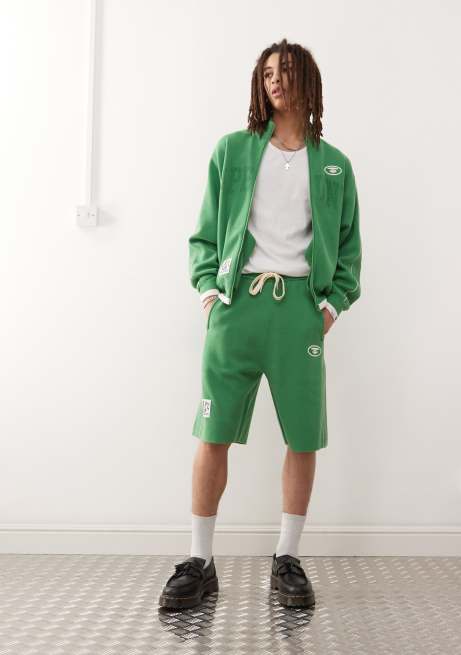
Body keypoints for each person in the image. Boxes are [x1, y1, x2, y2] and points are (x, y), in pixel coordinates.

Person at [159, 38, 362, 611]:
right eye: (267, 72)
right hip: (237, 306)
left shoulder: (334, 164)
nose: (275, 79)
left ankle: (287, 558)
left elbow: (349, 246)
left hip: (299, 311)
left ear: (308, 81)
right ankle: (199, 561)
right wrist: (209, 294)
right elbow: (205, 233)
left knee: (303, 436)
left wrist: (330, 307)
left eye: (286, 70)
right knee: (212, 431)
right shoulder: (233, 151)